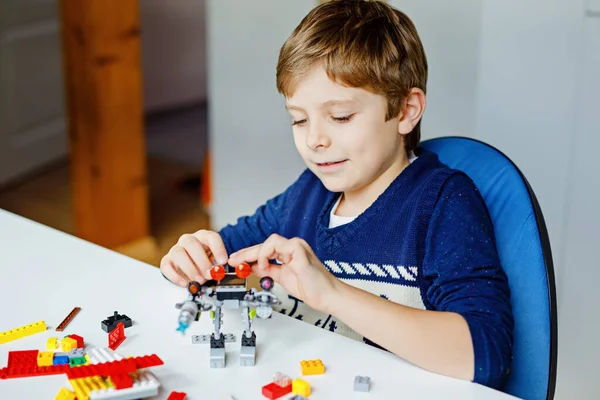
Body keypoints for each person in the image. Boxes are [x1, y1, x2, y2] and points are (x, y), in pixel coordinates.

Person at [160, 0, 513, 389]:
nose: (314, 140)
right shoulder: (306, 195)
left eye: (341, 117)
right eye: (299, 119)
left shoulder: (443, 204)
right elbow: (222, 258)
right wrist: (190, 257)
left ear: (406, 111)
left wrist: (332, 293)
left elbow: (486, 355)